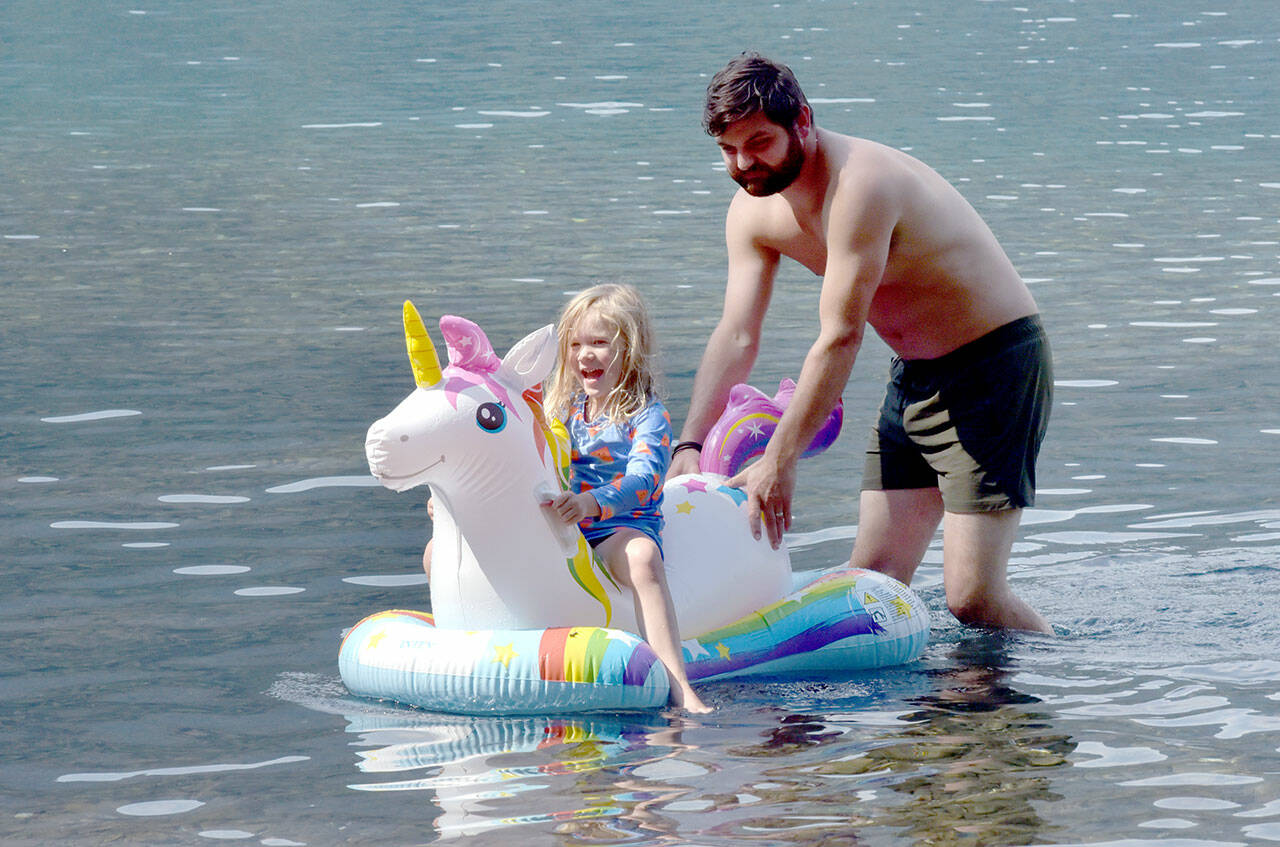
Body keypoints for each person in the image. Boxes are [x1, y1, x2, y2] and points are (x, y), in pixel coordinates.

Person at [668, 52, 1052, 634]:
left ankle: (1054, 685)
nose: (744, 164)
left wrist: (781, 459)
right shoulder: (752, 213)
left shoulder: (861, 184)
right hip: (916, 376)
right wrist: (689, 443)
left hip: (994, 367)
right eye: (728, 150)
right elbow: (738, 333)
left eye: (759, 142)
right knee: (874, 580)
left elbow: (841, 335)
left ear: (802, 120)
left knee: (972, 599)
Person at [542, 283, 713, 713]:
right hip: (567, 528)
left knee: (641, 556)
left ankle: (680, 687)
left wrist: (589, 503)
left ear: (628, 350)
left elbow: (644, 479)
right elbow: (527, 463)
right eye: (576, 344)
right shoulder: (561, 411)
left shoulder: (647, 415)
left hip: (618, 529)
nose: (585, 355)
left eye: (599, 343)